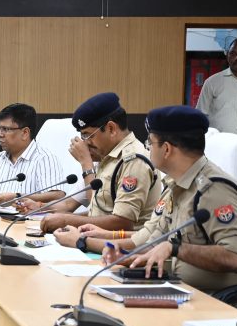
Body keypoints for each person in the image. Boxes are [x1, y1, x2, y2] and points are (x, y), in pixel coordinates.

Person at [67, 106, 237, 293]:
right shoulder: (175, 185)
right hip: (181, 289)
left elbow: (235, 258)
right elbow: (152, 240)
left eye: (150, 142)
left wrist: (175, 249)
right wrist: (127, 258)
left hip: (225, 302)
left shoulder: (214, 190)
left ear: (166, 149)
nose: (148, 148)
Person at [36, 93, 162, 241]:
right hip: (100, 241)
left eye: (88, 135)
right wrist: (64, 219)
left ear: (111, 128)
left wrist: (66, 220)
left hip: (123, 248)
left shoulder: (133, 160)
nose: (85, 142)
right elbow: (98, 211)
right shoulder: (108, 157)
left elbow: (122, 222)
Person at [0, 104, 66, 207]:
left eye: (5, 129)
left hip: (25, 217)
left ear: (25, 133)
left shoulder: (44, 159)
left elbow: (57, 196)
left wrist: (17, 197)